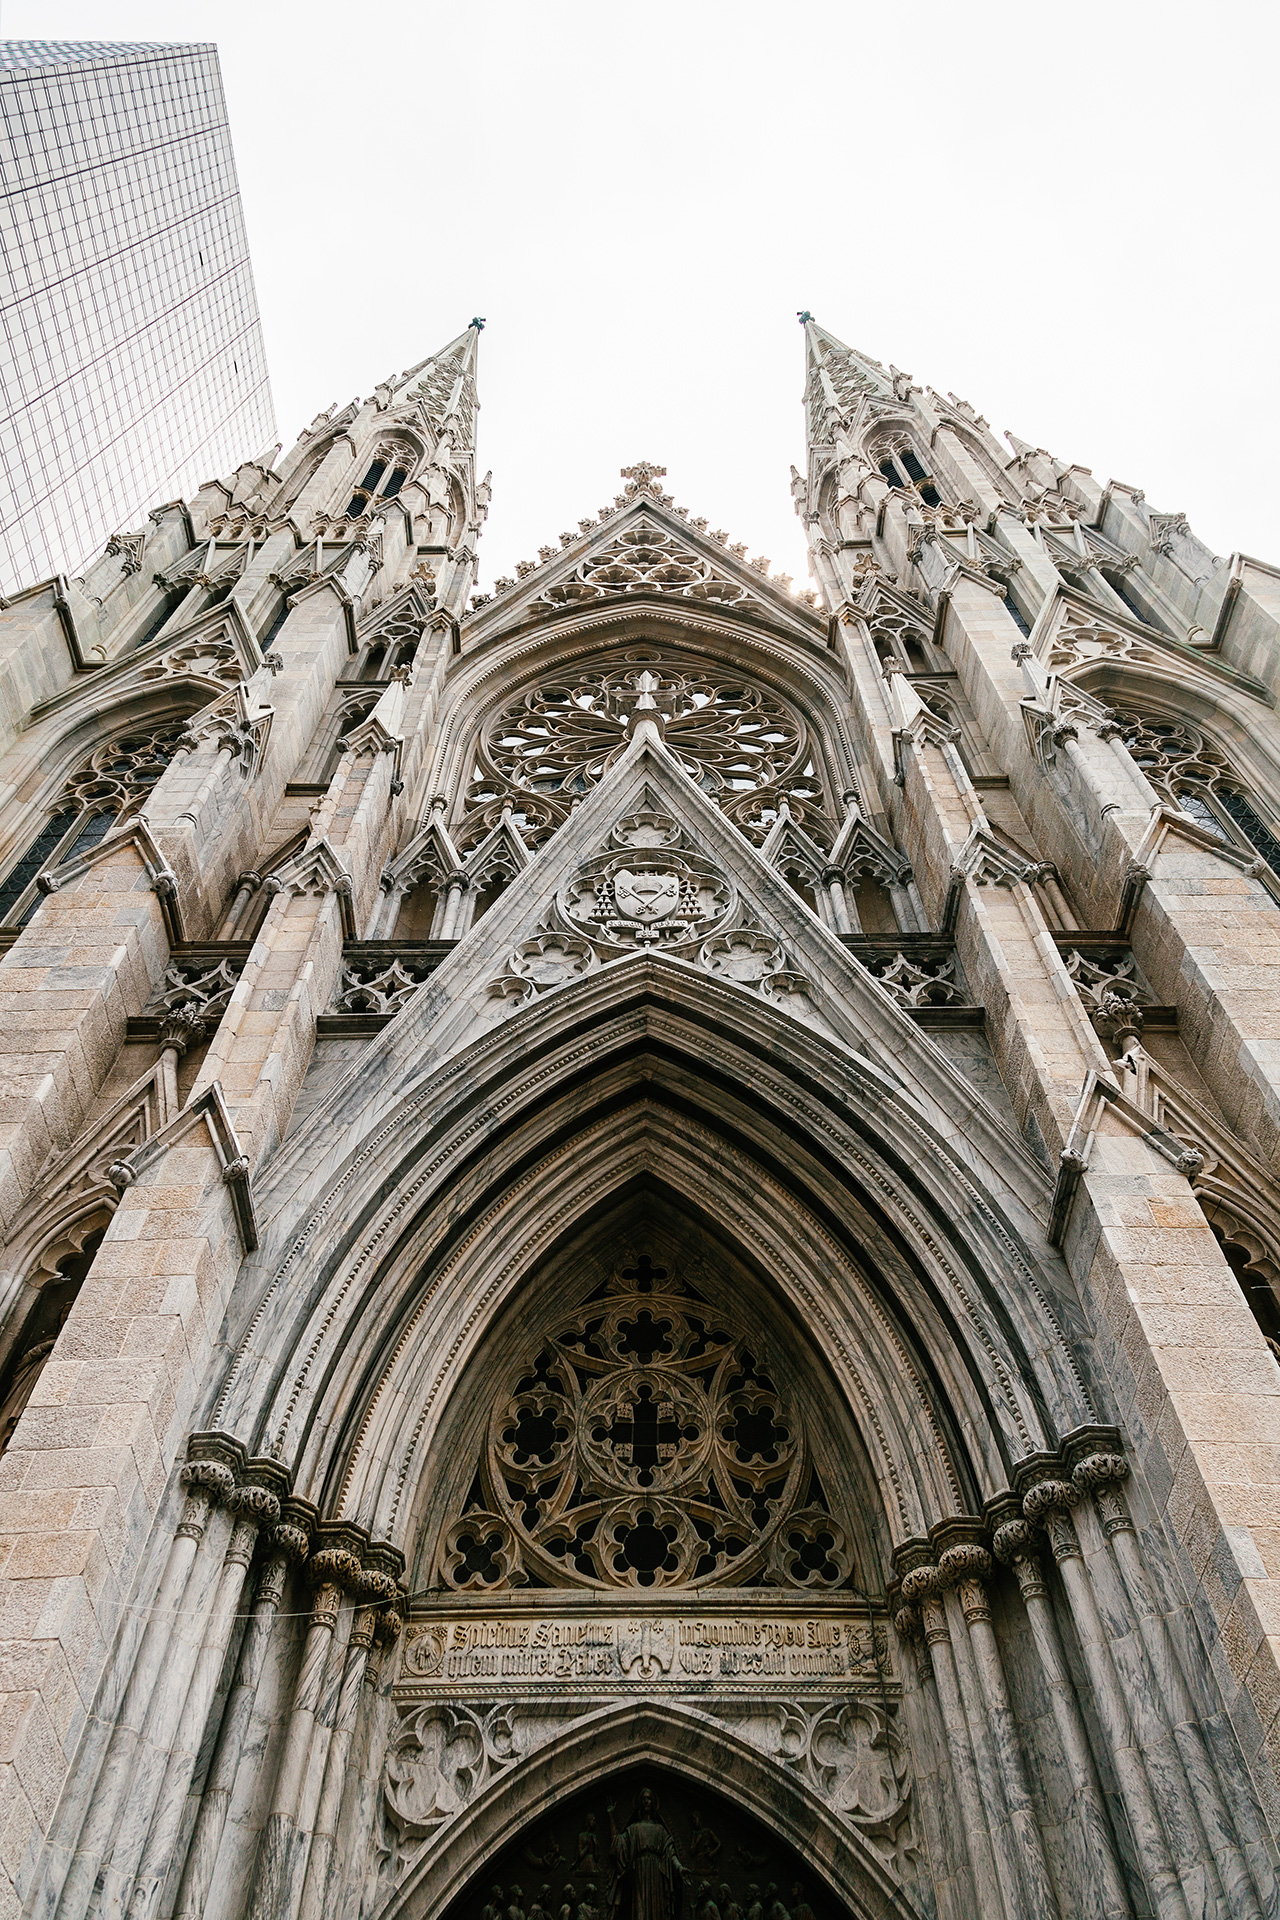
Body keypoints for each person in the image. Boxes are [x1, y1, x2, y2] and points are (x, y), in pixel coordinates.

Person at [607, 1787, 683, 1920]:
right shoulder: (633, 1829)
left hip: (657, 1875)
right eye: (643, 1799)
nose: (646, 1801)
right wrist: (610, 1816)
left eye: (649, 1799)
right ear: (639, 1804)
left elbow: (670, 1853)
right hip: (639, 1873)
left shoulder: (660, 1830)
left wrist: (679, 1868)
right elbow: (617, 1845)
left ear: (653, 1803)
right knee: (640, 1911)